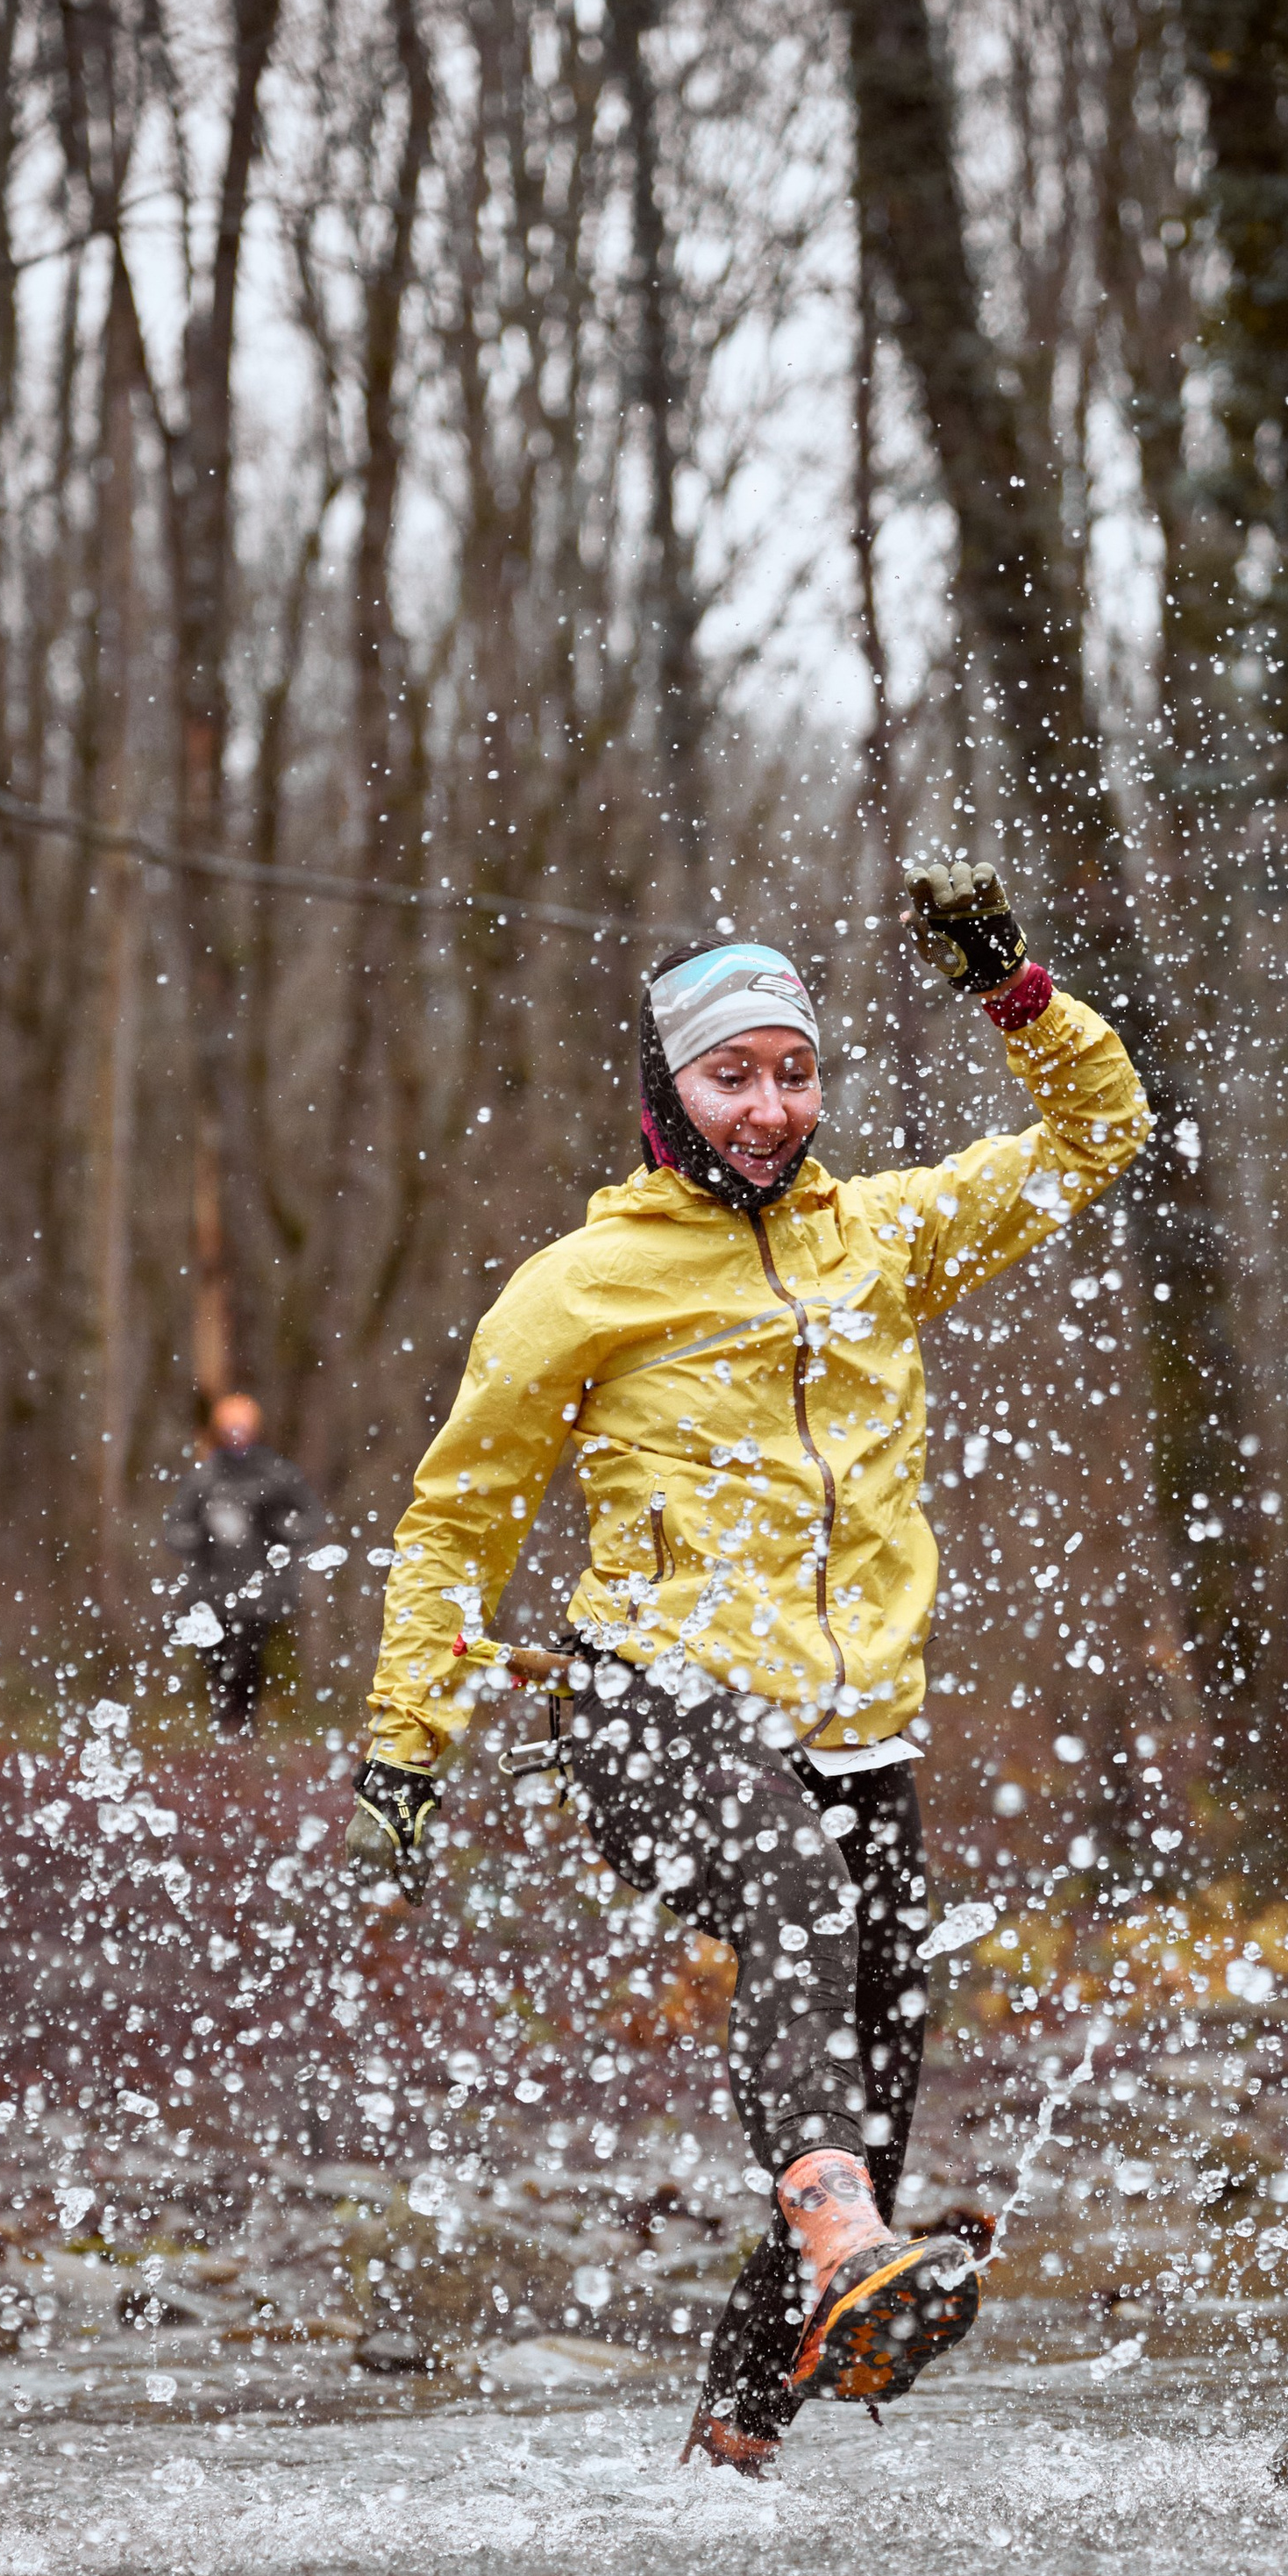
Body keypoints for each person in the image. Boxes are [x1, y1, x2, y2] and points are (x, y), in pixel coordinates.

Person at [347, 861, 1152, 2473]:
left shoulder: (887, 1243)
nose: (770, 1109)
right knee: (793, 1906)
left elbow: (1096, 1137)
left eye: (795, 1073)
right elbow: (457, 1525)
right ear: (666, 1093)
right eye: (733, 1077)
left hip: (853, 1734)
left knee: (878, 2097)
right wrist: (405, 1745)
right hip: (646, 1709)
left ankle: (733, 2449)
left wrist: (1017, 995)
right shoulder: (578, 1289)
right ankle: (835, 2227)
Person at [165, 1395, 329, 1736]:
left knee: (248, 1659)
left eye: (242, 1428)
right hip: (209, 1590)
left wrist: (278, 1525)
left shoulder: (277, 1475)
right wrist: (200, 1536)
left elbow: (310, 1521)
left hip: (261, 1592)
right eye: (230, 1429)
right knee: (215, 1659)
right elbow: (175, 1530)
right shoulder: (204, 1479)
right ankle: (224, 1722)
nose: (236, 1436)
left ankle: (244, 1726)